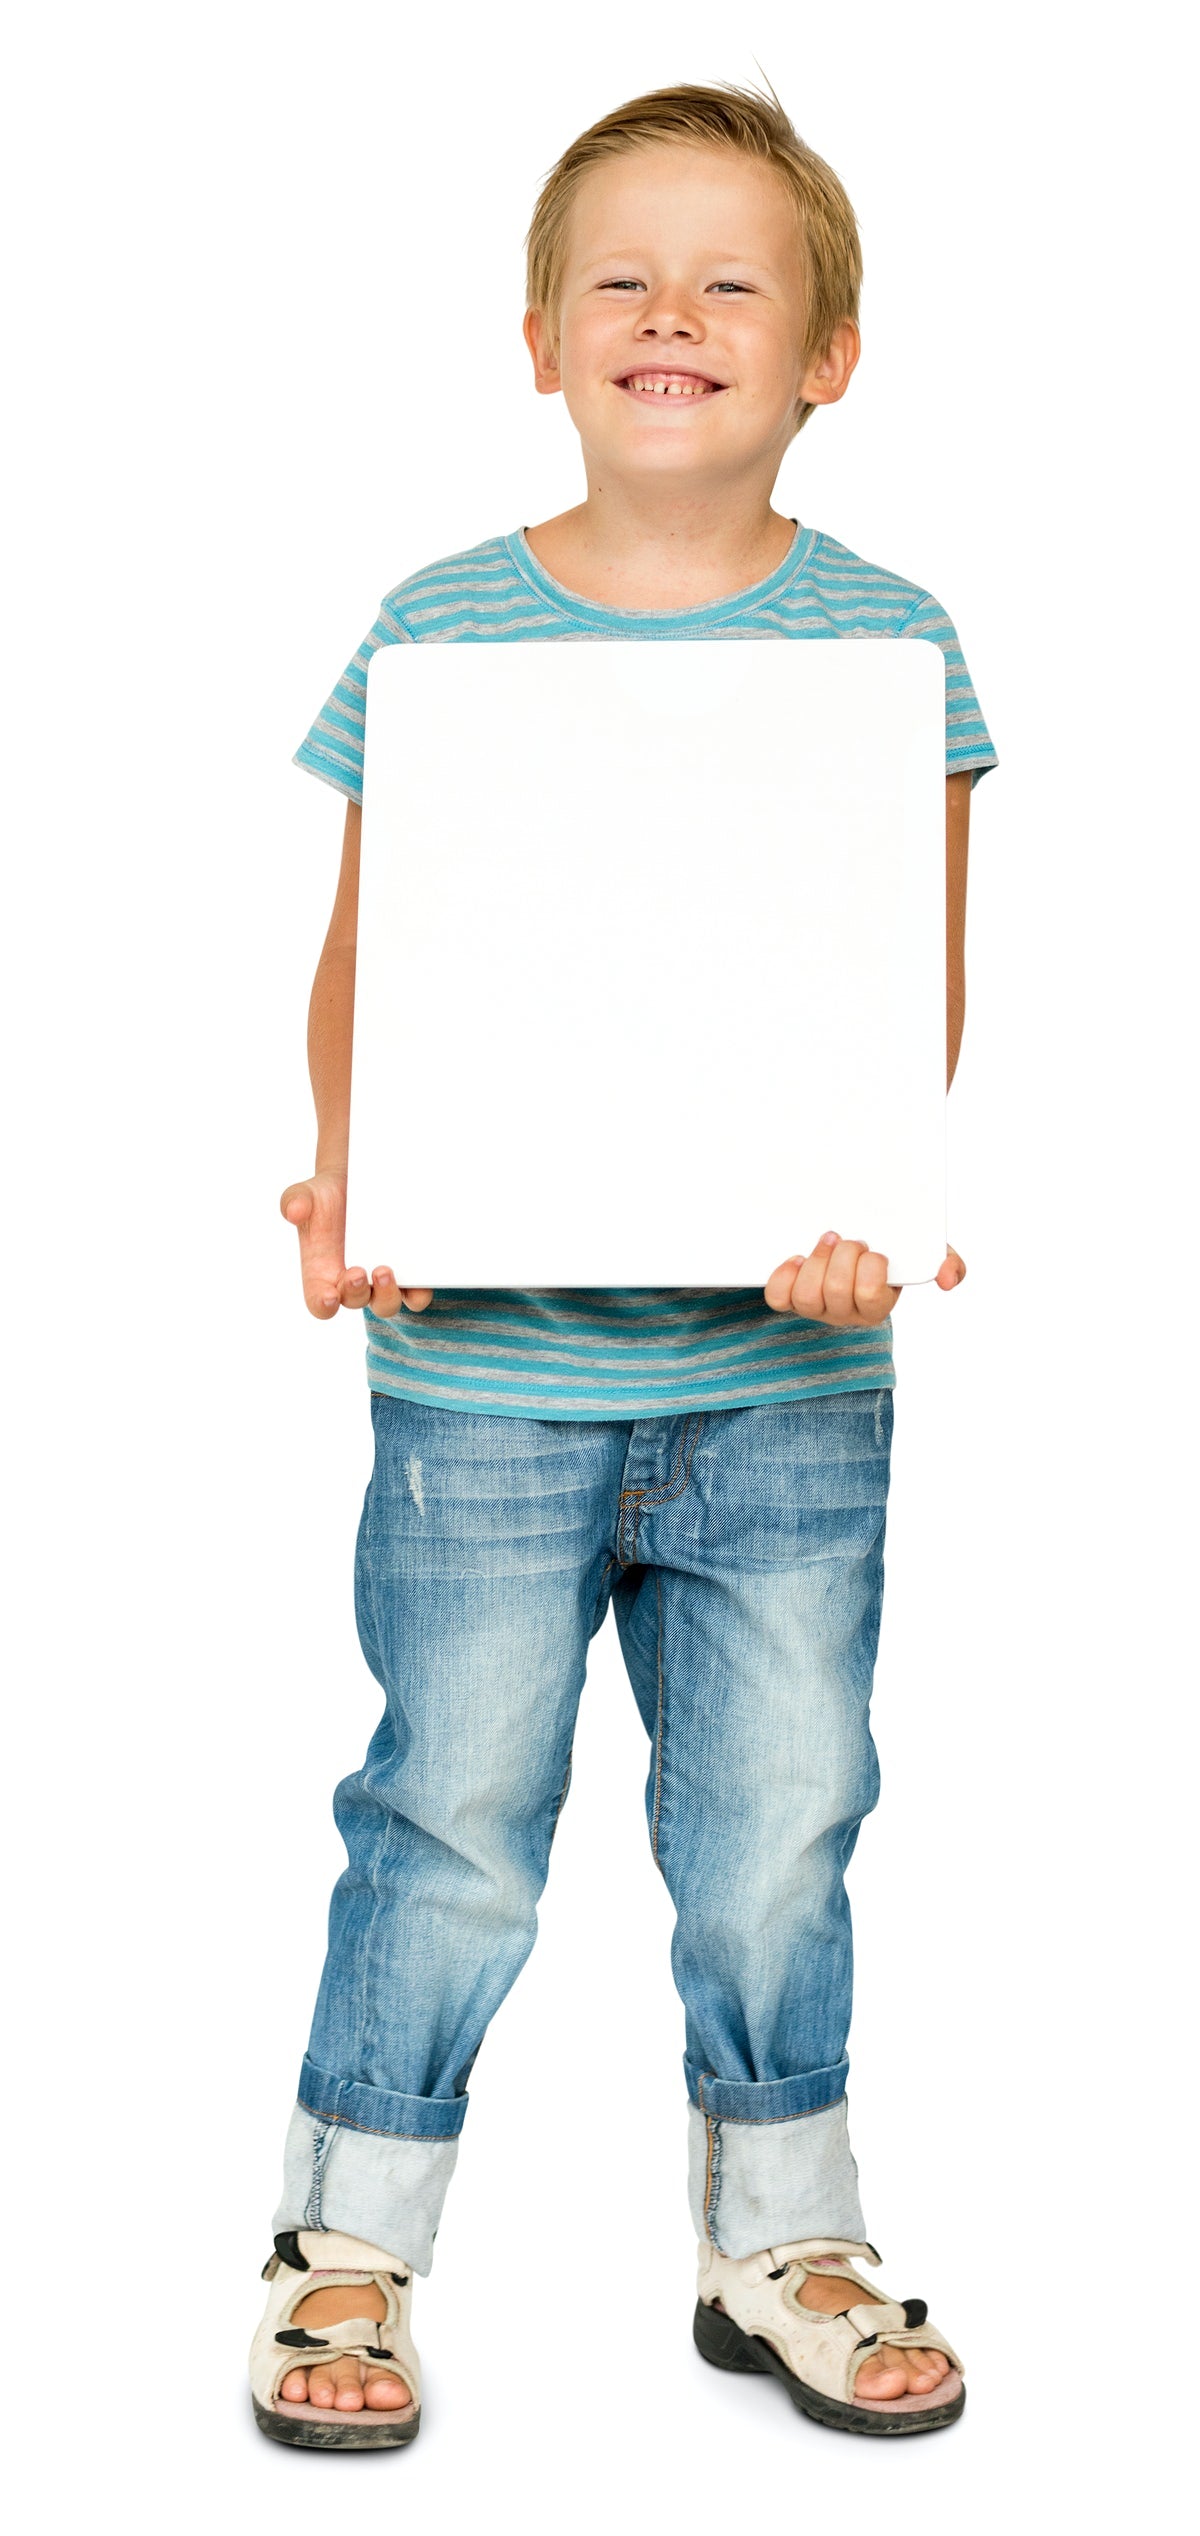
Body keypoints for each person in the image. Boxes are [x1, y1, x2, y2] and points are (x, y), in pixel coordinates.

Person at [249, 79, 998, 2449]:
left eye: (735, 279)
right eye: (623, 279)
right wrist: (346, 1170)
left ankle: (780, 2231)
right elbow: (369, 945)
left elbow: (908, 969)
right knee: (450, 1817)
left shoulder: (890, 634)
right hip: (482, 1373)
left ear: (831, 356)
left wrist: (880, 1187)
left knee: (782, 1817)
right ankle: (345, 2245)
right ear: (544, 339)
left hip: (786, 1375)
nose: (673, 314)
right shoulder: (440, 619)